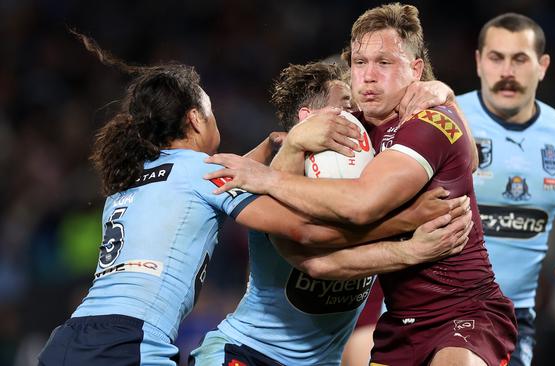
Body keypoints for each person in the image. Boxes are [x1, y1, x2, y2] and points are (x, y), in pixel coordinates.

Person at [37, 32, 472, 366]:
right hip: (138, 344)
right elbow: (306, 238)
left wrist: (440, 95)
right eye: (209, 110)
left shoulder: (137, 178)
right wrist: (408, 226)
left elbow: (207, 187)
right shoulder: (208, 170)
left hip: (71, 336)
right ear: (194, 119)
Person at [206, 3, 518, 365]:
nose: (368, 76)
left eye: (384, 63)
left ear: (414, 69)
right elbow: (311, 255)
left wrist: (269, 178)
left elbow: (361, 204)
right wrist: (289, 146)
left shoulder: (427, 122)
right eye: (359, 63)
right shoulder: (352, 128)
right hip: (400, 324)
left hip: (464, 311)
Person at [191, 62, 472, 365]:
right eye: (347, 107)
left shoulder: (378, 180)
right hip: (248, 352)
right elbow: (315, 251)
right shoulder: (275, 177)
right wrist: (409, 237)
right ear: (308, 119)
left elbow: (467, 159)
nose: (359, 119)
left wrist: (445, 96)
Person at [456, 13, 555, 366]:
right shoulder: (443, 119)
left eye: (520, 59)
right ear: (479, 62)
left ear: (542, 66)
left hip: (509, 320)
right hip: (423, 310)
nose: (507, 71)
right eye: (496, 58)